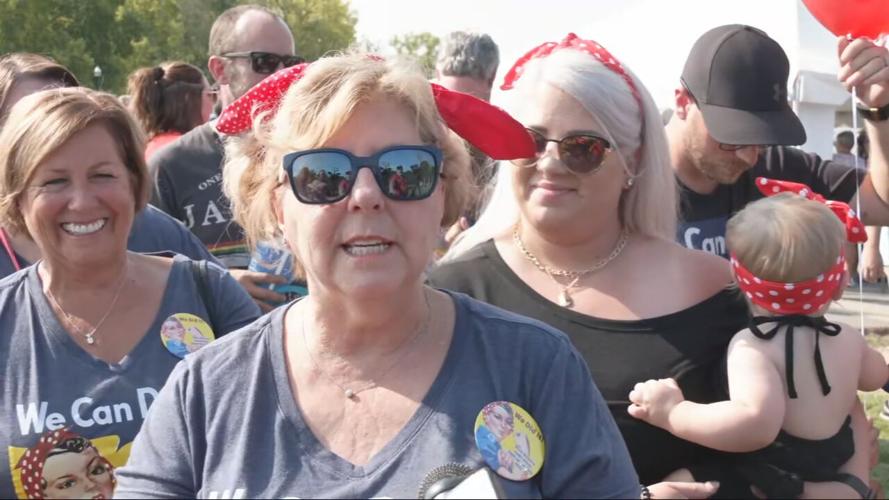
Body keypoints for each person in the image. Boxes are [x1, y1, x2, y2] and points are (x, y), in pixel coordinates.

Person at [114, 53, 640, 499]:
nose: (366, 195)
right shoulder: (205, 391)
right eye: (324, 175)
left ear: (442, 195)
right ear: (277, 204)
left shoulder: (537, 366)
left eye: (404, 171)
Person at [432, 33, 875, 497]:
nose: (550, 162)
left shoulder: (717, 290)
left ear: (633, 161)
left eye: (582, 147)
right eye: (530, 140)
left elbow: (831, 444)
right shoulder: (450, 295)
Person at [0, 88, 261, 498]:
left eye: (103, 175)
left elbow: (280, 443)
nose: (82, 201)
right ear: (18, 201)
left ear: (136, 184)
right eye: (54, 181)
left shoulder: (209, 295)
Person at [629, 182, 889, 498]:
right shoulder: (848, 340)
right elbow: (877, 375)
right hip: (834, 467)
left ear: (738, 280)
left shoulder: (753, 346)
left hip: (771, 479)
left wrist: (673, 413)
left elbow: (755, 425)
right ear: (839, 285)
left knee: (682, 482)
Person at [666, 25, 889, 259]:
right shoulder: (631, 181)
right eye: (733, 136)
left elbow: (881, 205)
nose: (750, 157)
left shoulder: (775, 168)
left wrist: (879, 109)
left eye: (762, 140)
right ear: (683, 103)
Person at [0, 52, 221, 279]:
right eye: (22, 120)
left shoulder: (148, 227)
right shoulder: (11, 298)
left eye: (64, 110)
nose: (51, 128)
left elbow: (213, 284)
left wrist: (227, 286)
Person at [150, 4, 302, 311]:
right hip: (210, 343)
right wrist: (217, 282)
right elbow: (138, 267)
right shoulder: (172, 165)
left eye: (289, 63)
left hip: (301, 339)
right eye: (265, 62)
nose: (280, 75)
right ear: (220, 69)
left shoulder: (310, 149)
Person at [435, 31, 500, 245]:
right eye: (447, 103)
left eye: (469, 106)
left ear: (491, 81)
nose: (456, 123)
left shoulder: (507, 145)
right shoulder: (409, 123)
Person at [126, 61, 216, 161]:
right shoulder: (186, 151)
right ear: (188, 99)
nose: (213, 102)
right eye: (210, 94)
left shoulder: (153, 147)